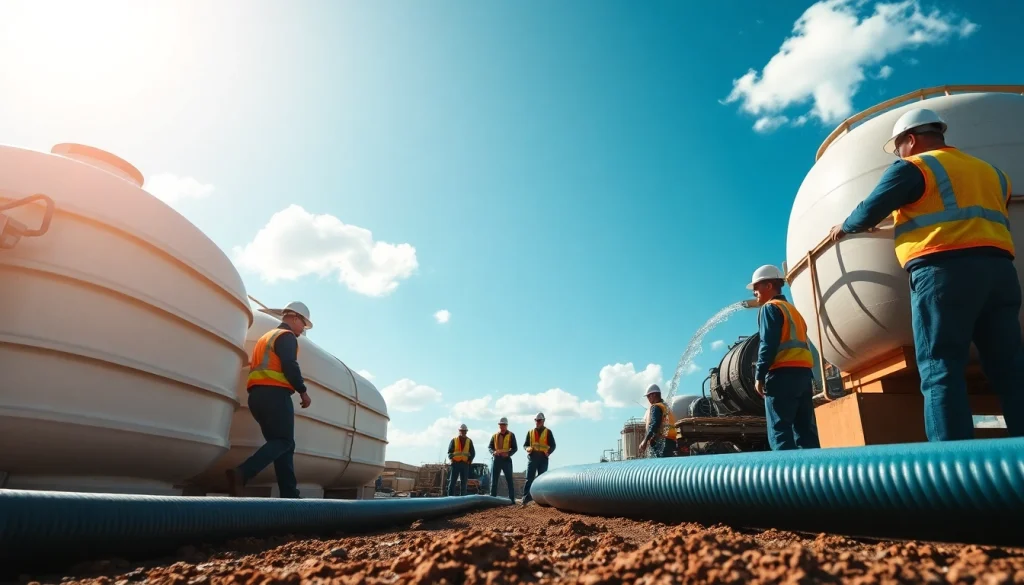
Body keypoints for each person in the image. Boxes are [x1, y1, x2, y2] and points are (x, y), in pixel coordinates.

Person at [828, 107, 1024, 441]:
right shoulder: (992, 172)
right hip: (1001, 274)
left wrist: (844, 227)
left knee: (940, 368)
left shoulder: (914, 167)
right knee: (1011, 371)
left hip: (944, 271)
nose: (899, 153)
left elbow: (869, 210)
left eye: (898, 146)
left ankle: (950, 470)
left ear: (911, 139)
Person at [226, 301, 314, 498]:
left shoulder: (266, 337)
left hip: (257, 397)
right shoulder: (287, 336)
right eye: (303, 324)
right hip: (275, 394)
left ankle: (289, 494)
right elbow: (290, 365)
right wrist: (303, 391)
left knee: (282, 444)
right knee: (283, 441)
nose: (302, 329)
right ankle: (242, 473)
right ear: (294, 318)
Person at [747, 265, 821, 450]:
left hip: (781, 376)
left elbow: (768, 344)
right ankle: (812, 475)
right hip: (804, 376)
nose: (755, 291)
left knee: (780, 431)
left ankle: (785, 478)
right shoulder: (793, 311)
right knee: (805, 432)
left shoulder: (770, 308)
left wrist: (759, 375)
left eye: (757, 286)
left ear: (769, 285)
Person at [521, 412, 555, 505]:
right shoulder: (530, 432)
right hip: (532, 457)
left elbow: (553, 445)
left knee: (542, 479)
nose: (537, 422)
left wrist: (549, 452)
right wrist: (527, 448)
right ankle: (526, 498)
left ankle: (540, 500)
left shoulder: (548, 432)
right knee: (529, 478)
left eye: (539, 420)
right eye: (536, 420)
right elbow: (525, 445)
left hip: (543, 458)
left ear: (543, 421)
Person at [638, 384, 677, 457]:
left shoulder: (656, 407)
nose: (648, 399)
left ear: (654, 395)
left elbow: (654, 424)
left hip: (661, 442)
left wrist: (645, 441)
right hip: (671, 441)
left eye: (648, 396)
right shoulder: (666, 407)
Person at [488, 417, 518, 503]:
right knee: (494, 481)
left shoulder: (511, 435)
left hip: (506, 460)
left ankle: (512, 500)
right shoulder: (495, 436)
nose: (502, 426)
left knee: (509, 480)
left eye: (503, 425)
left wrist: (508, 454)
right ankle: (492, 500)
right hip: (496, 460)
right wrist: (493, 452)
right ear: (499, 425)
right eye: (501, 425)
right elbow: (490, 447)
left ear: (506, 425)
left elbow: (515, 448)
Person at [447, 424, 475, 496]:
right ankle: (450, 498)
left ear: (466, 432)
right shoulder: (454, 440)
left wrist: (469, 461)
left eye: (464, 431)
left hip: (465, 464)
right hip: (455, 463)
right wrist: (451, 459)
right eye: (462, 431)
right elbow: (450, 452)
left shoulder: (469, 441)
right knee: (452, 482)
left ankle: (462, 498)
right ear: (459, 431)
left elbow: (473, 453)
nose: (463, 432)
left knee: (464, 483)